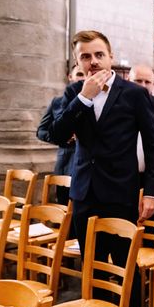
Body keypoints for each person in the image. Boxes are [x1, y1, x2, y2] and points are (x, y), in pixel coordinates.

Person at [49, 30, 154, 307]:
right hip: (85, 194)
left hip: (121, 194)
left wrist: (150, 192)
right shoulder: (74, 93)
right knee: (93, 267)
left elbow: (153, 145)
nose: (93, 61)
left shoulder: (134, 94)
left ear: (111, 57)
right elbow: (58, 134)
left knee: (126, 266)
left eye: (99, 54)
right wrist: (83, 98)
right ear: (78, 61)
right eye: (85, 56)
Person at [36, 65, 85, 205]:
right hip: (66, 164)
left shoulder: (96, 102)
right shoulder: (57, 102)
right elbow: (41, 131)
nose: (81, 78)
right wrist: (63, 137)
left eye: (84, 75)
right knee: (62, 209)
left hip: (87, 168)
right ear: (71, 77)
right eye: (79, 74)